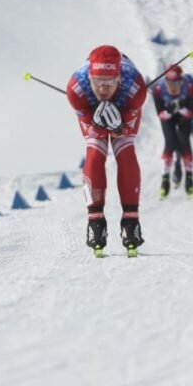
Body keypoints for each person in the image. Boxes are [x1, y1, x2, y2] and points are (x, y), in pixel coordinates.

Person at [66, 45, 147, 254]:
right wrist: (96, 125)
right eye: (97, 82)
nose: (102, 89)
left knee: (125, 150)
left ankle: (131, 222)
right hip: (89, 105)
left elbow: (129, 118)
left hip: (125, 104)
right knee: (95, 150)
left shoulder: (135, 87)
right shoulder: (76, 89)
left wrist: (121, 126)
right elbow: (87, 120)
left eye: (108, 83)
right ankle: (95, 222)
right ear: (89, 78)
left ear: (118, 79)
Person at [153, 65, 193, 198]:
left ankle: (189, 175)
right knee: (170, 140)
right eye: (170, 83)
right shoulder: (158, 90)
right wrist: (170, 111)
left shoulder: (189, 87)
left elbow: (190, 113)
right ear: (165, 81)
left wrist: (180, 108)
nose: (173, 87)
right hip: (169, 116)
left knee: (184, 138)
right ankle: (165, 176)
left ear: (182, 81)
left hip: (183, 116)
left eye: (177, 83)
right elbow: (160, 114)